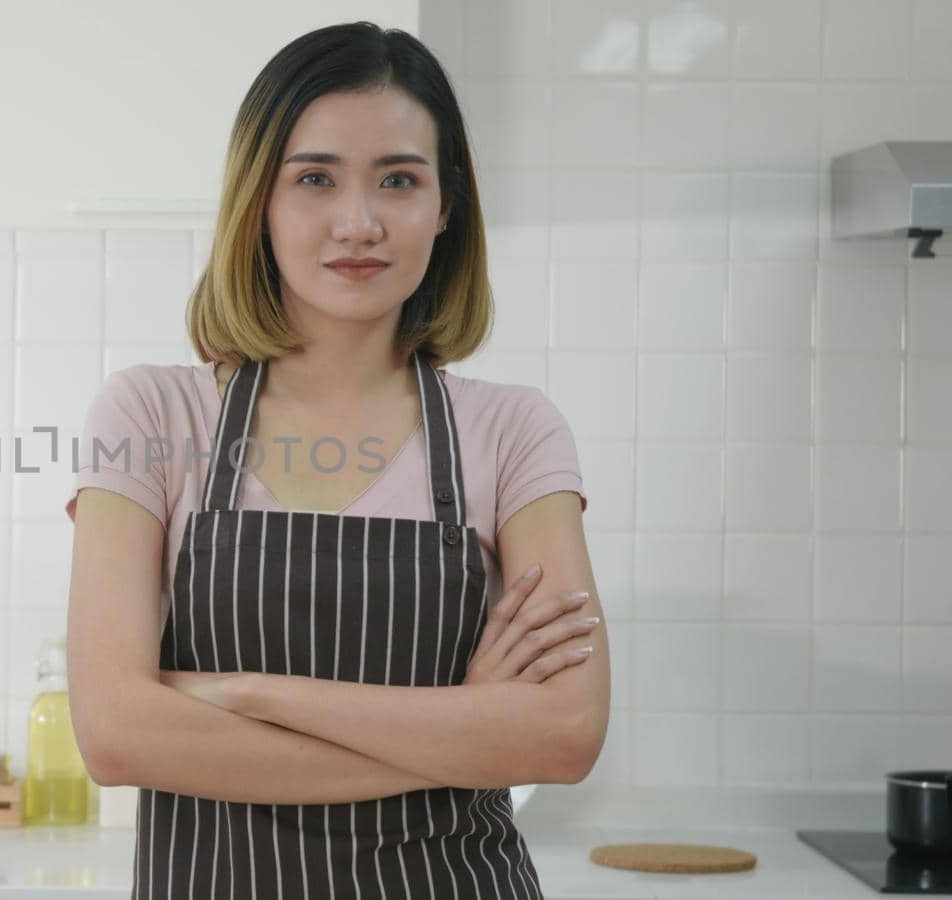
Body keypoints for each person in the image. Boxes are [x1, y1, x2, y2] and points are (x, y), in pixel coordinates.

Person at [63, 21, 609, 900]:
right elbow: (117, 735)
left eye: (399, 179)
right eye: (314, 178)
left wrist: (246, 695)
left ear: (446, 205)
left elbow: (565, 736)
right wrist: (461, 733)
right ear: (260, 202)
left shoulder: (515, 431)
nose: (358, 222)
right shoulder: (151, 414)